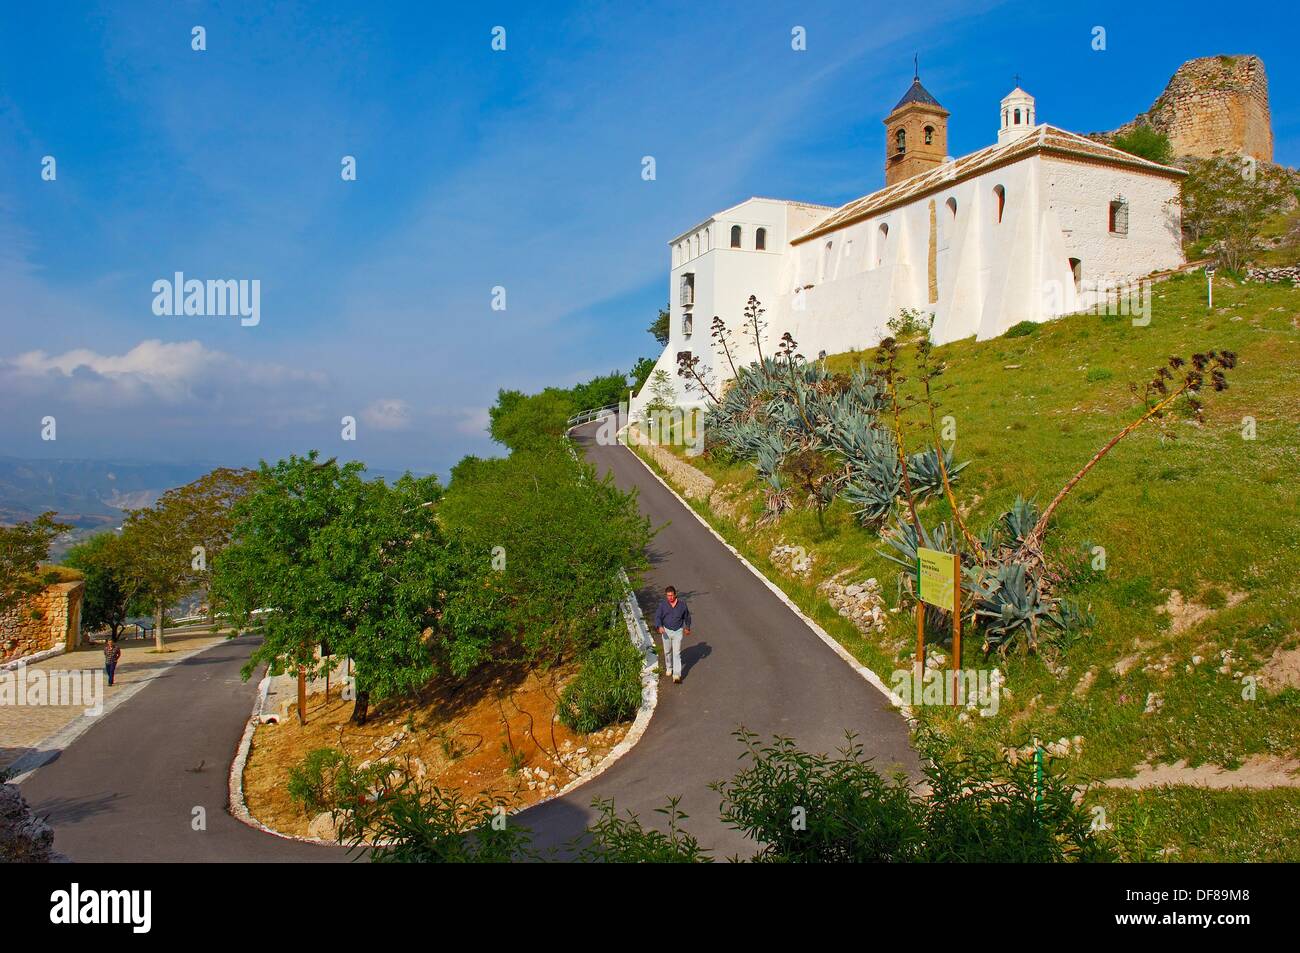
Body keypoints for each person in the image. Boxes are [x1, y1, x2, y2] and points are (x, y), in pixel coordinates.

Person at [653, 585, 691, 684]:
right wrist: (659, 626)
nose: (670, 597)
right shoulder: (663, 605)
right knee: (667, 651)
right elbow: (657, 617)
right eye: (668, 596)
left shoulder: (682, 605)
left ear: (675, 595)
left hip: (678, 631)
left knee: (677, 653)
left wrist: (687, 627)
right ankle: (669, 667)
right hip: (666, 631)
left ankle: (677, 675)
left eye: (671, 595)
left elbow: (687, 616)